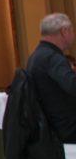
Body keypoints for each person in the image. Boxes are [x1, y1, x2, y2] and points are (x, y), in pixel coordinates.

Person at [26, 13, 76, 142]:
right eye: (72, 31)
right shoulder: (52, 58)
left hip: (50, 127)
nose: (73, 35)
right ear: (64, 31)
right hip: (66, 128)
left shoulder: (36, 56)